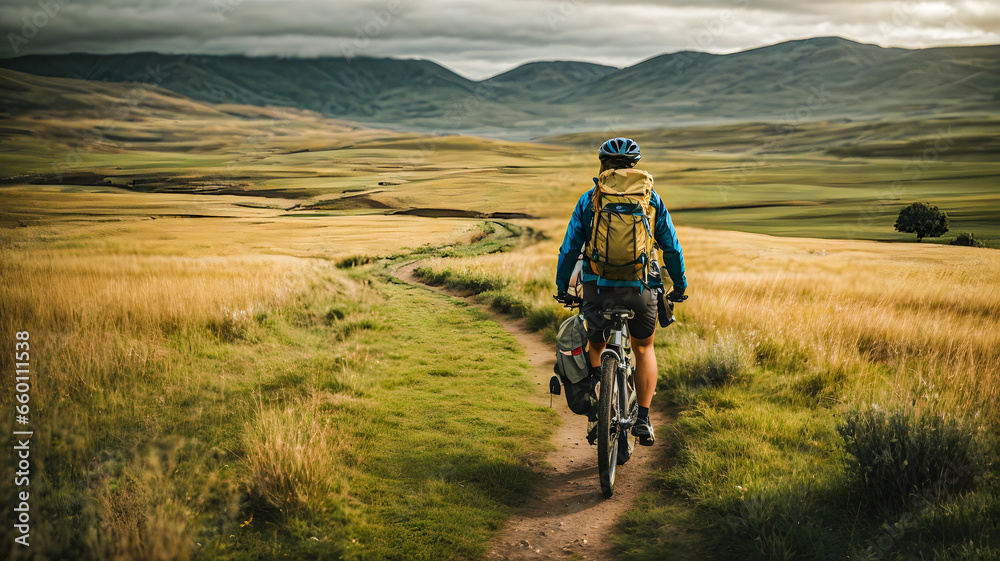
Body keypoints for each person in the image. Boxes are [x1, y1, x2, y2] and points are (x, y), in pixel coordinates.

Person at [555, 137, 687, 446]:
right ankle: (642, 418)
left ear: (603, 166)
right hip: (642, 291)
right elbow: (672, 249)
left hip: (599, 290)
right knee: (643, 349)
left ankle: (600, 410)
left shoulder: (590, 199)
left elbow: (569, 248)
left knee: (596, 345)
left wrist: (563, 287)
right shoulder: (650, 199)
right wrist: (678, 288)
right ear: (634, 167)